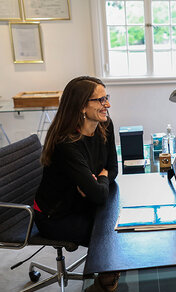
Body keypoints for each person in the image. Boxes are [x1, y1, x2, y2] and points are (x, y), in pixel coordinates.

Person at [34, 76, 118, 247]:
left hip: (83, 203)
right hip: (57, 216)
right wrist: (99, 183)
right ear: (81, 106)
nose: (107, 105)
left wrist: (97, 182)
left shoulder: (105, 125)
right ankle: (105, 273)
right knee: (110, 235)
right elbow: (99, 195)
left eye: (106, 98)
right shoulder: (66, 143)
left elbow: (113, 168)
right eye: (100, 100)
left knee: (120, 219)